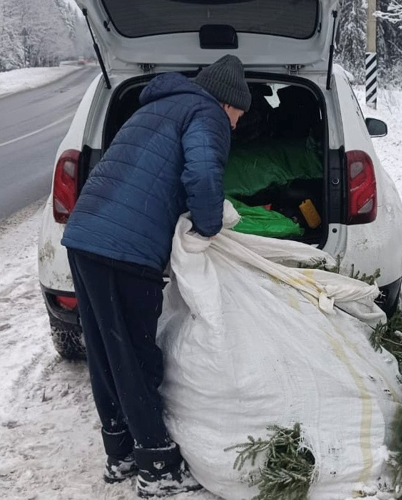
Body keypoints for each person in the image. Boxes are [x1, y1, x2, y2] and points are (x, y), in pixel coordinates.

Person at [61, 54, 251, 498]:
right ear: (227, 103)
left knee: (108, 350)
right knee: (135, 355)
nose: (237, 126)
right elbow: (203, 174)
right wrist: (207, 227)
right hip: (124, 249)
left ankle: (121, 452)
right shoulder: (207, 112)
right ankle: (158, 466)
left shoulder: (152, 107)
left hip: (85, 237)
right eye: (239, 115)